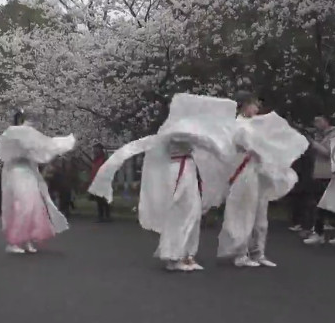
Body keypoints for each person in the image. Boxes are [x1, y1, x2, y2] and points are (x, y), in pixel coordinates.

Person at [90, 93, 238, 272]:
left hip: (187, 169)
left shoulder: (181, 128)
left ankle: (187, 254)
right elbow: (203, 141)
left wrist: (223, 152)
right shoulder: (178, 129)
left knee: (193, 211)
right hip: (179, 171)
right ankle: (174, 255)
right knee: (181, 211)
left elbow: (204, 141)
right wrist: (223, 153)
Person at [217, 91, 308, 268]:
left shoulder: (255, 124)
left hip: (257, 171)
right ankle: (241, 253)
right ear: (245, 105)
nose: (257, 108)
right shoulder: (239, 125)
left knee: (260, 213)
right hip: (245, 172)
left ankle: (258, 252)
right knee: (244, 211)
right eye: (254, 105)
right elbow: (250, 147)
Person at [0, 109, 74, 254]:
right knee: (22, 205)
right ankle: (14, 241)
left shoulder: (29, 137)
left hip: (29, 173)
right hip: (17, 172)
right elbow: (5, 154)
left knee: (34, 205)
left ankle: (26, 239)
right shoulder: (10, 135)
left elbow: (42, 149)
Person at [303, 115, 335, 245]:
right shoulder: (318, 135)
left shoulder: (334, 135)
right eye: (315, 121)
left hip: (330, 173)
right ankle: (321, 232)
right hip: (319, 173)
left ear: (327, 121)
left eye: (319, 120)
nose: (316, 124)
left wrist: (312, 143)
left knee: (328, 205)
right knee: (319, 205)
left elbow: (328, 152)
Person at [89, 144, 111, 222]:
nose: (95, 151)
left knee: (104, 200)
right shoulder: (95, 159)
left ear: (100, 150)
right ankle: (101, 216)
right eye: (94, 149)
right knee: (99, 201)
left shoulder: (104, 159)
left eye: (96, 149)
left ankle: (107, 216)